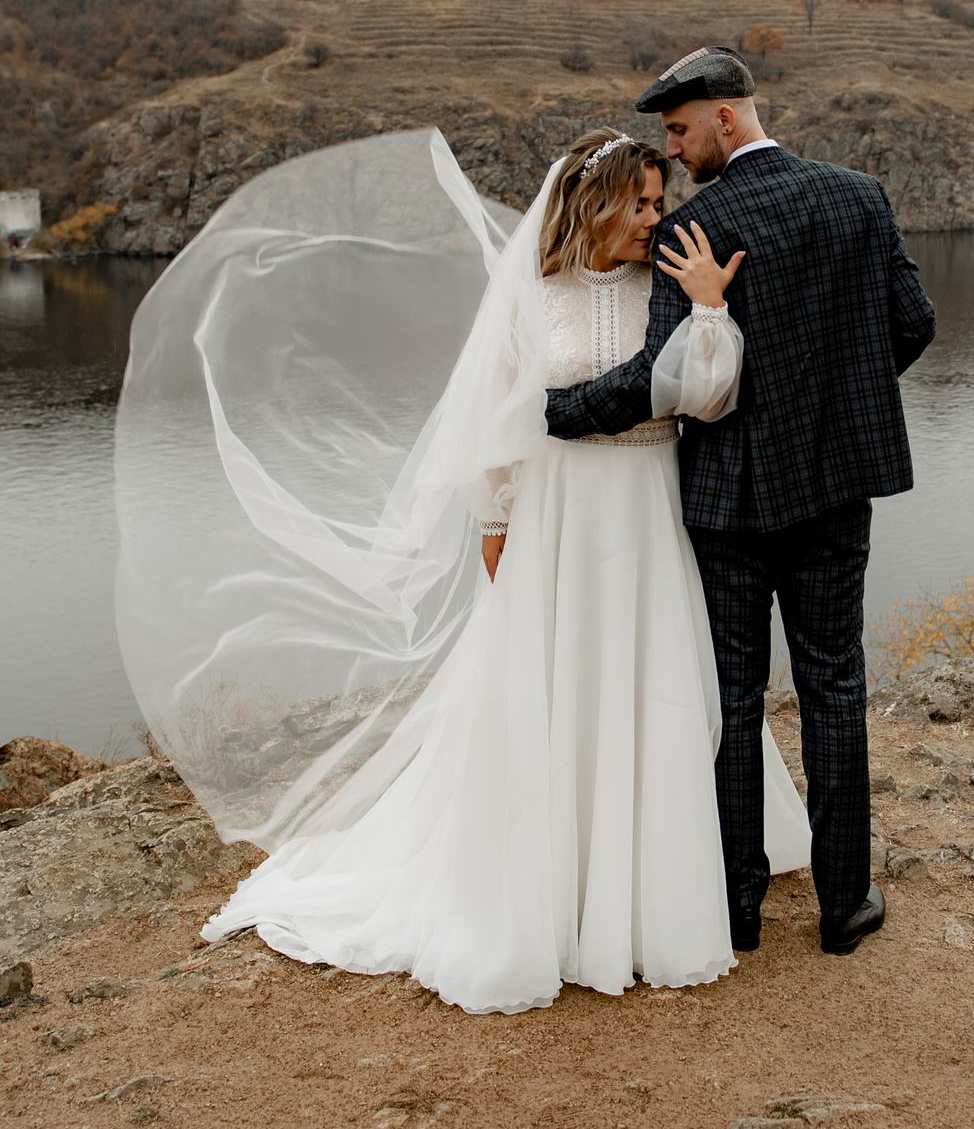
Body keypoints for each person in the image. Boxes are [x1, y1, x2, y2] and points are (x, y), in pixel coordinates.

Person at [173, 126, 810, 1014]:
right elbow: (494, 414)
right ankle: (548, 895)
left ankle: (647, 895)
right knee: (553, 687)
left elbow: (709, 395)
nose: (654, 218)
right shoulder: (531, 296)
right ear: (594, 202)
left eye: (660, 203)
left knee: (653, 685)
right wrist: (497, 516)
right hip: (559, 515)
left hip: (650, 510)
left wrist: (710, 310)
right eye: (640, 203)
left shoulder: (668, 284)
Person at [545, 46, 937, 956]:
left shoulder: (698, 226)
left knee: (731, 698)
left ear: (726, 117)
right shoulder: (859, 195)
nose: (674, 153)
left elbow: (657, 378)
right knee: (835, 684)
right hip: (838, 494)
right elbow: (912, 324)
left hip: (728, 504)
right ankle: (844, 905)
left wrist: (558, 413)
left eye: (679, 130)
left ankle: (739, 908)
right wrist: (838, 407)